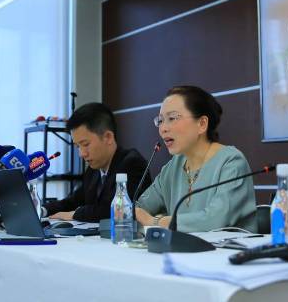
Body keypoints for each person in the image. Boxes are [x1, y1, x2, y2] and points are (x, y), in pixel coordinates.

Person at [135, 86, 257, 232]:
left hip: (226, 253)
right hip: (181, 252)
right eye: (160, 121)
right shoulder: (172, 167)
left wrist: (155, 221)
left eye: (172, 118)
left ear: (202, 124)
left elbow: (215, 220)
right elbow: (137, 209)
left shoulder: (231, 162)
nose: (163, 128)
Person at [43, 103, 149, 222]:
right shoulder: (93, 169)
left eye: (85, 144)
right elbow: (72, 201)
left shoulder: (133, 163)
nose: (82, 154)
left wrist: (76, 214)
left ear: (108, 137)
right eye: (78, 146)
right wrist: (42, 210)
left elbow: (119, 210)